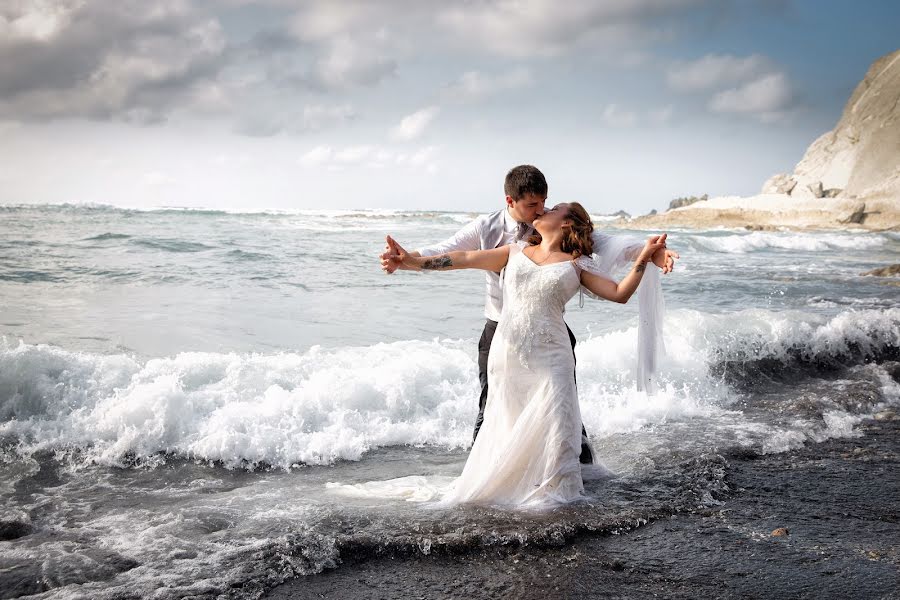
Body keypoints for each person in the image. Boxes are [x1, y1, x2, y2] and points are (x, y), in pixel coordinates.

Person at [380, 165, 677, 463]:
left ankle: (580, 470)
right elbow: (455, 254)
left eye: (545, 203)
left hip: (549, 334)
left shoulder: (566, 242)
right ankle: (485, 471)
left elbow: (610, 245)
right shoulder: (490, 231)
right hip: (500, 331)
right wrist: (407, 261)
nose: (540, 211)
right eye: (532, 205)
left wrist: (650, 252)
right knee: (493, 405)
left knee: (562, 405)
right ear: (510, 201)